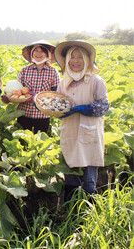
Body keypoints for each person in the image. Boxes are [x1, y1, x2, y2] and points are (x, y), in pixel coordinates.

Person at [55, 40, 109, 200]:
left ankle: (88, 214)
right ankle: (70, 213)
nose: (76, 61)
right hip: (70, 133)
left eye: (80, 57)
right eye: (72, 57)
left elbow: (105, 105)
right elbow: (56, 103)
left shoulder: (96, 81)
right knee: (70, 175)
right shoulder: (63, 83)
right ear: (67, 60)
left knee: (89, 180)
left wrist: (84, 109)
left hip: (89, 135)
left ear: (87, 60)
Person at [1, 40, 60, 133]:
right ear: (31, 53)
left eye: (42, 51)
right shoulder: (24, 71)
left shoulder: (53, 72)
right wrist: (8, 97)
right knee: (22, 144)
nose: (38, 53)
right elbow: (17, 91)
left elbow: (55, 95)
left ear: (48, 54)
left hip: (42, 116)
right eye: (36, 50)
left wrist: (37, 98)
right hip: (24, 114)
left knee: (39, 143)